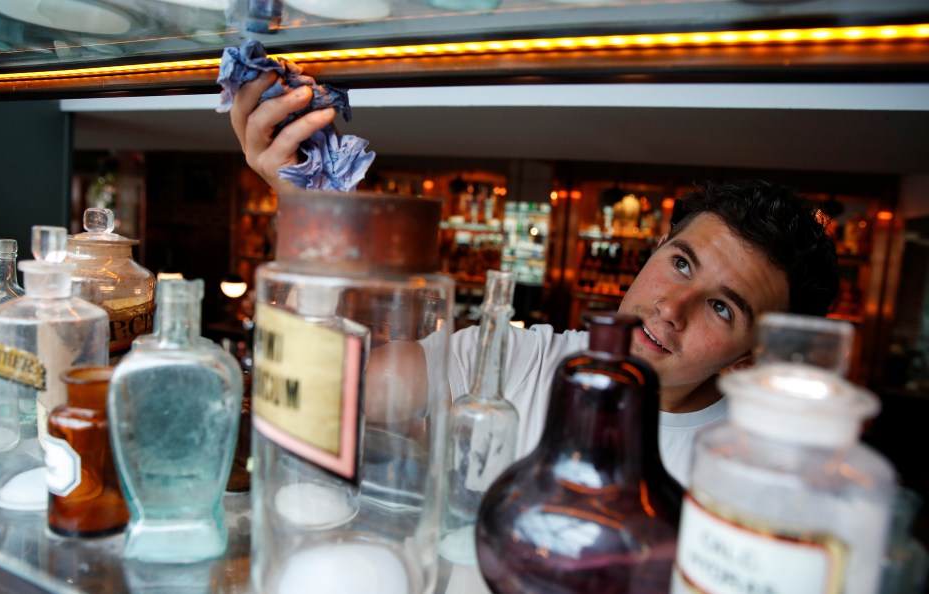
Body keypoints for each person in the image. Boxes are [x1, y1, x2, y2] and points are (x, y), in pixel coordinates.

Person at [228, 72, 840, 486]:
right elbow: (332, 397)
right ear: (655, 250)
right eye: (681, 264)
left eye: (723, 309)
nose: (671, 308)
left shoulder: (755, 471)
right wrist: (306, 204)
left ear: (748, 358)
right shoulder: (515, 357)